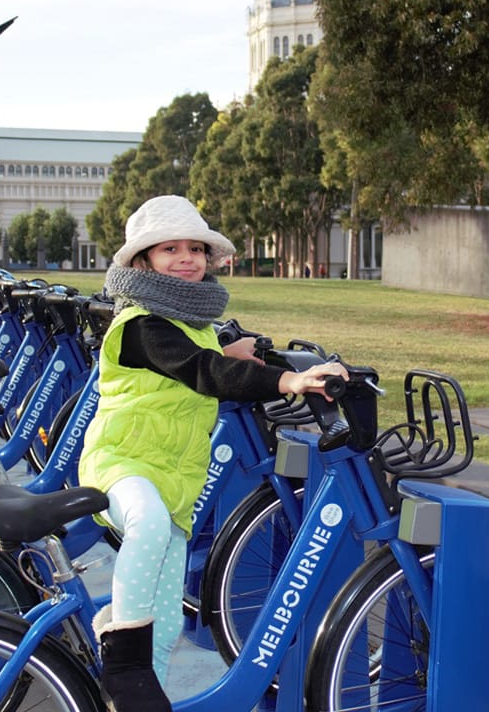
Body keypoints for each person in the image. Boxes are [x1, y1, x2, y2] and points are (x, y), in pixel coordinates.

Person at [79, 195, 346, 710]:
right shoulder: (140, 322)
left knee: (166, 613)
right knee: (149, 526)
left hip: (172, 476)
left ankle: (138, 696)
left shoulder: (187, 319)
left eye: (196, 249)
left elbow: (197, 359)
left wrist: (226, 352)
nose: (187, 258)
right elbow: (200, 372)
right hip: (123, 463)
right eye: (170, 249)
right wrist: (288, 379)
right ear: (142, 263)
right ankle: (124, 661)